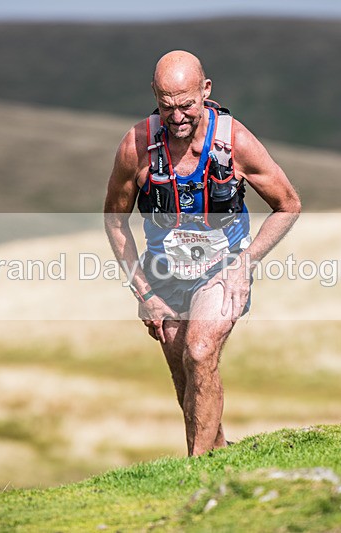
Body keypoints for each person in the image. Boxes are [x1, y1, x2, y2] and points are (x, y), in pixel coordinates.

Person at [104, 50, 300, 456]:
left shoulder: (235, 142)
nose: (177, 117)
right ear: (154, 95)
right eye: (166, 106)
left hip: (223, 269)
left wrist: (244, 265)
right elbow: (114, 221)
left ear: (206, 90)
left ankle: (195, 471)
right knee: (188, 374)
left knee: (200, 350)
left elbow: (288, 205)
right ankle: (219, 453)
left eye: (187, 105)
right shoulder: (136, 146)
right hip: (164, 276)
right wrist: (144, 292)